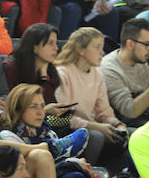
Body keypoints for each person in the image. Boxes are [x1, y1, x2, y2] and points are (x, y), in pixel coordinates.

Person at [0, 83, 127, 178]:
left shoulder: (47, 132)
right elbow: (26, 175)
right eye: (33, 106)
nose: (40, 112)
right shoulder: (9, 136)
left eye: (42, 106)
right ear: (18, 110)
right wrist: (71, 163)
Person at [55, 26, 128, 163]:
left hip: (92, 126)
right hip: (69, 130)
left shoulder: (97, 74)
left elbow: (104, 112)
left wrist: (118, 125)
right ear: (81, 50)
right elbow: (64, 118)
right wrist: (96, 126)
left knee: (129, 134)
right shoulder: (63, 73)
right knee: (97, 136)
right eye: (97, 47)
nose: (102, 52)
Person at [100, 17, 149, 127]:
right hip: (126, 124)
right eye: (147, 45)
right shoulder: (109, 69)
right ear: (130, 44)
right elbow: (130, 112)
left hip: (146, 116)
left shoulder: (141, 61)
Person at [2, 23, 61, 106]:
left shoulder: (49, 68)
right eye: (50, 43)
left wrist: (44, 76)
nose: (56, 48)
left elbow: (50, 102)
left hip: (42, 118)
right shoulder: (10, 68)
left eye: (56, 43)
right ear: (34, 48)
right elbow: (14, 106)